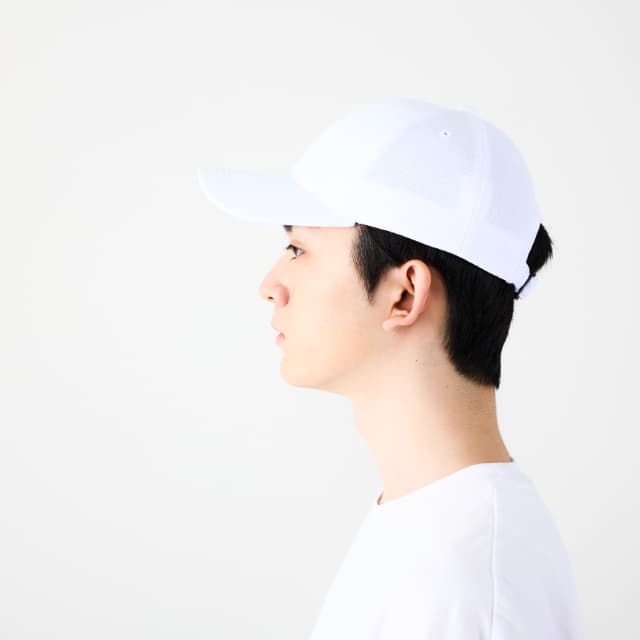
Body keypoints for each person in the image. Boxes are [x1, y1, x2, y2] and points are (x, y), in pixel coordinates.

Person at [196, 98, 585, 639]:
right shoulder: (432, 523)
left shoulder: (467, 583)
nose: (269, 285)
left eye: (298, 249)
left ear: (404, 294)